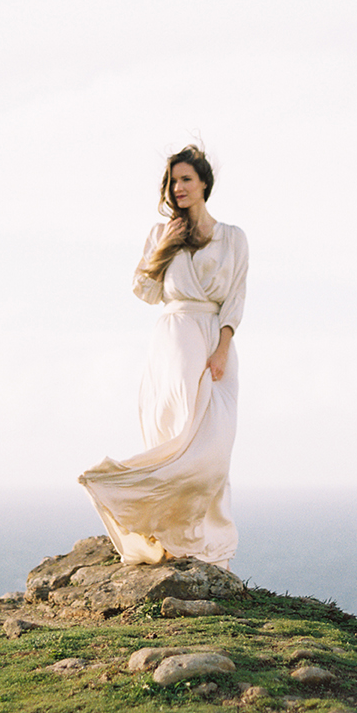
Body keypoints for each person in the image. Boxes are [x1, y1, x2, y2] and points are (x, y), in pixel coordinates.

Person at [79, 145, 248, 568]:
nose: (178, 188)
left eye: (186, 179)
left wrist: (222, 348)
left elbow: (235, 298)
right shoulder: (160, 234)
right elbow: (145, 291)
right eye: (173, 181)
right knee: (177, 438)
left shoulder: (233, 237)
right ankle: (169, 535)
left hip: (214, 338)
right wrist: (164, 248)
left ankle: (204, 539)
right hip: (174, 340)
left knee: (214, 449)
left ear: (204, 183)